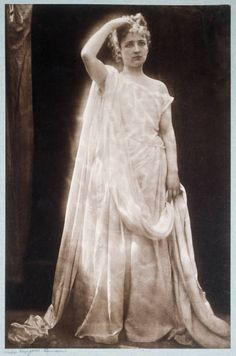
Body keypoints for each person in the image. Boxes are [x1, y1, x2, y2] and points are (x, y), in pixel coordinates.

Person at [8, 13, 230, 348]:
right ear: (119, 50)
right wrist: (115, 25)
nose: (137, 49)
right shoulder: (110, 79)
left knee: (146, 252)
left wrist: (173, 171)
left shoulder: (159, 89)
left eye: (141, 43)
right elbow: (86, 54)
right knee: (118, 250)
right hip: (118, 175)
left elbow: (167, 134)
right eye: (130, 44)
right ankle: (113, 318)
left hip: (153, 172)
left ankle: (147, 320)